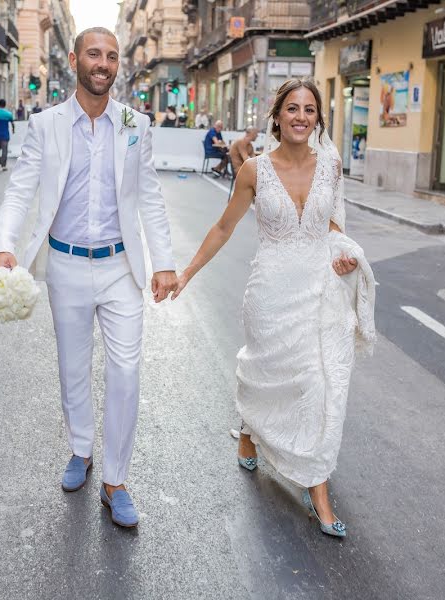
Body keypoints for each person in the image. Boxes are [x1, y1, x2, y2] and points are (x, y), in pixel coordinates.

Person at [0, 27, 177, 528]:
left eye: (112, 56)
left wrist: (163, 261)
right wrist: (4, 246)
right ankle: (80, 449)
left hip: (121, 268)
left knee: (126, 371)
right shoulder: (46, 124)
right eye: (95, 54)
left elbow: (152, 196)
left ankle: (115, 480)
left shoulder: (136, 124)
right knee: (73, 367)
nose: (104, 63)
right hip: (66, 266)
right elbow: (20, 190)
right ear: (74, 60)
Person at [172, 78, 375, 539]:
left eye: (309, 109)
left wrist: (343, 256)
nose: (301, 117)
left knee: (319, 383)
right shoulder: (254, 171)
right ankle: (249, 431)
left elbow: (335, 227)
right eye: (292, 109)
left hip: (320, 289)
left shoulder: (332, 166)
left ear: (318, 118)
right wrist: (187, 273)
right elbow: (224, 228)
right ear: (277, 117)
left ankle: (316, 483)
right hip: (271, 293)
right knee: (269, 375)